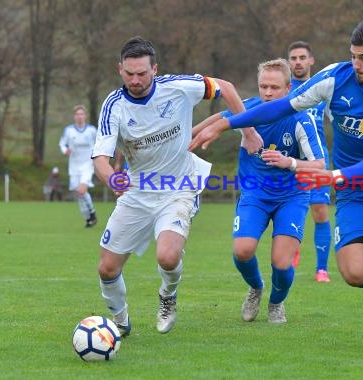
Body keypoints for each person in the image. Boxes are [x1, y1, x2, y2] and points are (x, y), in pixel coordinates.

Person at [190, 18, 363, 351]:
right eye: (353, 56)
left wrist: (332, 176)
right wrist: (227, 124)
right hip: (355, 192)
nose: (356, 64)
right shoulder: (334, 77)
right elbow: (279, 108)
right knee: (354, 274)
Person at [91, 36, 261, 336]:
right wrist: (111, 178)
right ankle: (120, 321)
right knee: (107, 268)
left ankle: (168, 296)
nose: (135, 79)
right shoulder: (113, 106)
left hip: (178, 185)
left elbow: (227, 88)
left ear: (154, 69)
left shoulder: (179, 87)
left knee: (167, 256)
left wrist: (247, 132)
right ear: (120, 70)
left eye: (142, 73)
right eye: (129, 73)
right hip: (137, 191)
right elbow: (101, 160)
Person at [198, 58, 324, 323]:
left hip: (292, 195)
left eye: (274, 87)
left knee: (281, 262)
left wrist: (290, 162)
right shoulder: (250, 109)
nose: (267, 92)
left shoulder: (302, 119)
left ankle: (276, 303)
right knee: (242, 250)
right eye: (263, 86)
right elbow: (219, 119)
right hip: (255, 193)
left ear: (289, 88)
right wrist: (190, 135)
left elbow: (320, 165)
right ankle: (256, 288)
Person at [287, 41, 332, 282]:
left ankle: (321, 269)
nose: (297, 62)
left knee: (320, 212)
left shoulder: (322, 89)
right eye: (293, 58)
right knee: (291, 209)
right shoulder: (283, 89)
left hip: (317, 161)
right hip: (290, 161)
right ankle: (292, 248)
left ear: (311, 60)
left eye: (302, 57)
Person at [59, 105, 98, 227]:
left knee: (82, 190)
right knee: (79, 194)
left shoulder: (91, 130)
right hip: (74, 167)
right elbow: (62, 144)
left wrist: (97, 159)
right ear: (74, 116)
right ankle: (88, 218)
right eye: (77, 114)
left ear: (85, 116)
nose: (80, 116)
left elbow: (100, 143)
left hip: (87, 165)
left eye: (82, 114)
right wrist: (65, 150)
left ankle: (92, 212)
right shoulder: (69, 130)